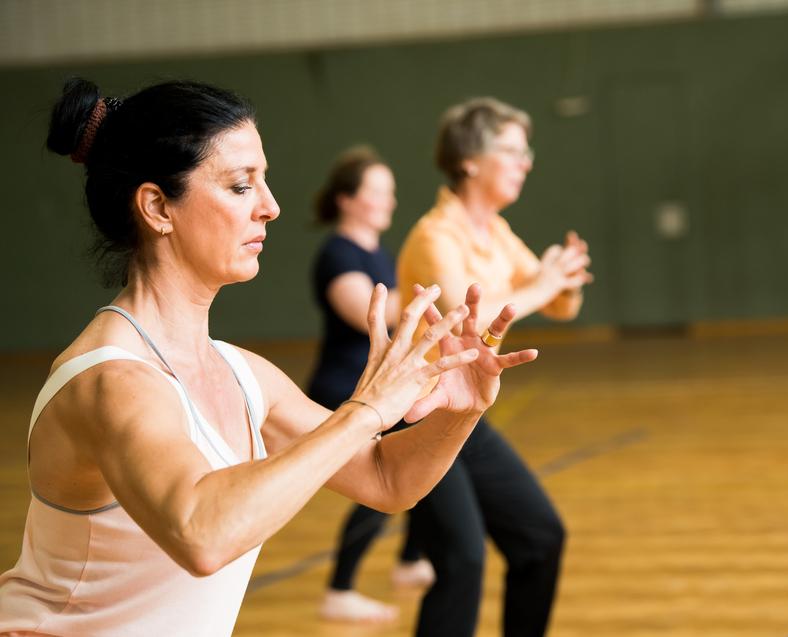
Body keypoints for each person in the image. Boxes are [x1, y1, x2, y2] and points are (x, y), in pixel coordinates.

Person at [0, 78, 537, 637]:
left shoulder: (243, 374)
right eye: (240, 186)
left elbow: (386, 478)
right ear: (158, 206)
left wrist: (462, 410)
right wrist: (366, 410)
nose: (271, 207)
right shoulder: (111, 380)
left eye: (265, 182)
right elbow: (200, 533)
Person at [397, 97, 593, 637]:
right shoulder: (434, 235)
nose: (525, 161)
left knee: (540, 537)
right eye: (510, 150)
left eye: (525, 151)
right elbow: (474, 324)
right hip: (415, 410)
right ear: (469, 162)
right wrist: (541, 285)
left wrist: (563, 278)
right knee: (462, 561)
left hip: (462, 413)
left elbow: (557, 304)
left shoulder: (497, 232)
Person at [306, 146, 434, 623]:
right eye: (377, 191)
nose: (388, 201)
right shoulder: (337, 255)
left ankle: (410, 560)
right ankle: (339, 590)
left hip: (382, 389)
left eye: (390, 192)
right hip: (346, 389)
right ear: (347, 200)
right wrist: (438, 286)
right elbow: (373, 315)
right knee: (382, 480)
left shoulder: (378, 253)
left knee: (426, 464)